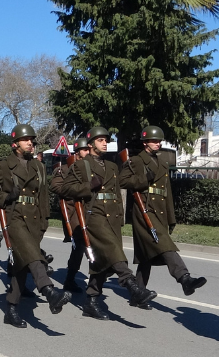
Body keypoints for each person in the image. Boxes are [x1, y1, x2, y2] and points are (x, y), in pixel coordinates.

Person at [59, 127, 157, 320]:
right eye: (100, 140)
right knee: (113, 250)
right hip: (93, 214)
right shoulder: (81, 165)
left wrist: (121, 216)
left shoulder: (112, 166)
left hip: (111, 217)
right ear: (91, 143)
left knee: (103, 260)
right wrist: (88, 187)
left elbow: (118, 192)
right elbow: (65, 189)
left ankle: (91, 301)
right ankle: (131, 285)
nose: (105, 143)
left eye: (106, 140)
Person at [0, 124, 71, 327]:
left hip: (34, 220)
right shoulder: (3, 166)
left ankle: (11, 308)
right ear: (15, 144)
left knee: (21, 265)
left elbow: (43, 196)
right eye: (26, 140)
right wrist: (6, 196)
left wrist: (44, 221)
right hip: (15, 218)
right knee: (32, 256)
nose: (31, 143)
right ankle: (49, 291)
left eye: (32, 140)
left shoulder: (38, 166)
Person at [119, 126, 207, 309]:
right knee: (165, 246)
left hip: (159, 212)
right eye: (154, 141)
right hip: (144, 211)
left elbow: (167, 193)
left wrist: (171, 217)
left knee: (146, 256)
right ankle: (184, 278)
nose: (158, 143)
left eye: (159, 141)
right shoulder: (136, 161)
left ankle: (138, 295)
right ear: (145, 143)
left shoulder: (163, 163)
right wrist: (144, 179)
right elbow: (122, 180)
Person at [50, 137, 89, 291]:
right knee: (79, 246)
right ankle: (70, 279)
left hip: (89, 211)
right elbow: (56, 186)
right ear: (78, 151)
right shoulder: (64, 169)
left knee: (88, 245)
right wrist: (76, 190)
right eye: (85, 149)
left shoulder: (89, 168)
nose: (88, 152)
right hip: (73, 212)